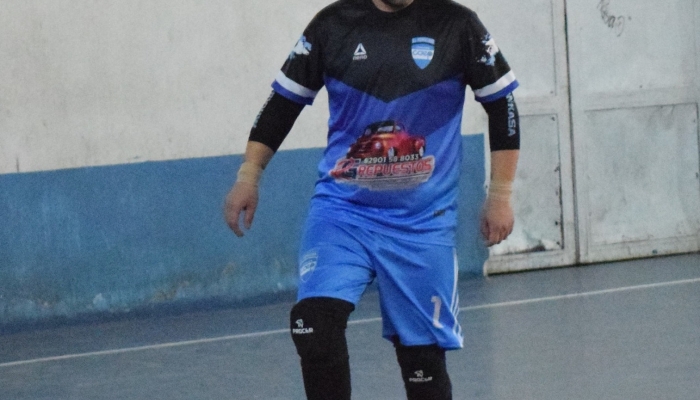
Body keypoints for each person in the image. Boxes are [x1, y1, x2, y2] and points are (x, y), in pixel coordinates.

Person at [224, 0, 520, 398]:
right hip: (343, 214)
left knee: (422, 364)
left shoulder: (458, 25)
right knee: (313, 327)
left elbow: (502, 107)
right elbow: (282, 103)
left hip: (421, 223)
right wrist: (248, 175)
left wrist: (500, 195)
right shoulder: (332, 25)